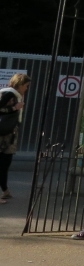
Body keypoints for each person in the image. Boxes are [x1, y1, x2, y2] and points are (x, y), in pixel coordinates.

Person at [0, 73, 31, 203]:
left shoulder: (10, 94)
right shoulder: (10, 94)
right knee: (3, 163)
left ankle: (5, 190)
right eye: (26, 86)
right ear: (20, 84)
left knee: (5, 163)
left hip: (8, 133)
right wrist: (14, 107)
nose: (26, 89)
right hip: (4, 134)